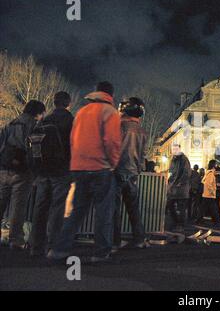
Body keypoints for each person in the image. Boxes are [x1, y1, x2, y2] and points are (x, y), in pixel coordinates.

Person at [48, 81, 121, 263]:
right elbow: (112, 141)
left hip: (79, 168)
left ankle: (59, 249)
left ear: (96, 92)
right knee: (104, 211)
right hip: (101, 168)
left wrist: (76, 162)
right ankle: (101, 252)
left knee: (77, 211)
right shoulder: (110, 112)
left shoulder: (82, 111)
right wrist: (112, 163)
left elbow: (73, 139)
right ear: (110, 95)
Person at [29, 92, 74, 256]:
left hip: (43, 170)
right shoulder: (71, 120)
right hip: (62, 169)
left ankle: (35, 245)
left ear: (54, 103)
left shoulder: (45, 120)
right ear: (68, 103)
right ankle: (53, 246)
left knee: (40, 206)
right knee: (57, 207)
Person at [0, 100, 46, 249]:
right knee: (18, 207)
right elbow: (36, 151)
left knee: (1, 203)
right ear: (38, 113)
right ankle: (16, 239)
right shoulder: (34, 125)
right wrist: (36, 169)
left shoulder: (11, 124)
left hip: (4, 168)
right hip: (23, 171)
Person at [113, 97, 148, 250]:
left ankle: (114, 241)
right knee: (133, 209)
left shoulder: (119, 126)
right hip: (133, 173)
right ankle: (139, 239)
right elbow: (142, 156)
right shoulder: (142, 131)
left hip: (117, 170)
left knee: (114, 209)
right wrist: (138, 170)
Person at [166, 143, 191, 233]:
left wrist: (180, 183)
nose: (174, 150)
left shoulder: (184, 159)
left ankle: (180, 225)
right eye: (173, 149)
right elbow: (171, 172)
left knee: (181, 208)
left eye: (176, 149)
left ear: (179, 149)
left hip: (181, 188)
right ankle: (176, 223)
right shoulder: (172, 160)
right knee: (170, 205)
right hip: (173, 187)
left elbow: (187, 172)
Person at [197, 160, 220, 226]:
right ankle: (217, 221)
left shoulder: (208, 173)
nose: (216, 166)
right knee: (213, 208)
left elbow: (204, 182)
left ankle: (199, 219)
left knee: (204, 208)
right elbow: (208, 184)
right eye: (216, 164)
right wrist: (212, 192)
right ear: (213, 165)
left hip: (206, 194)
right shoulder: (210, 174)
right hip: (209, 194)